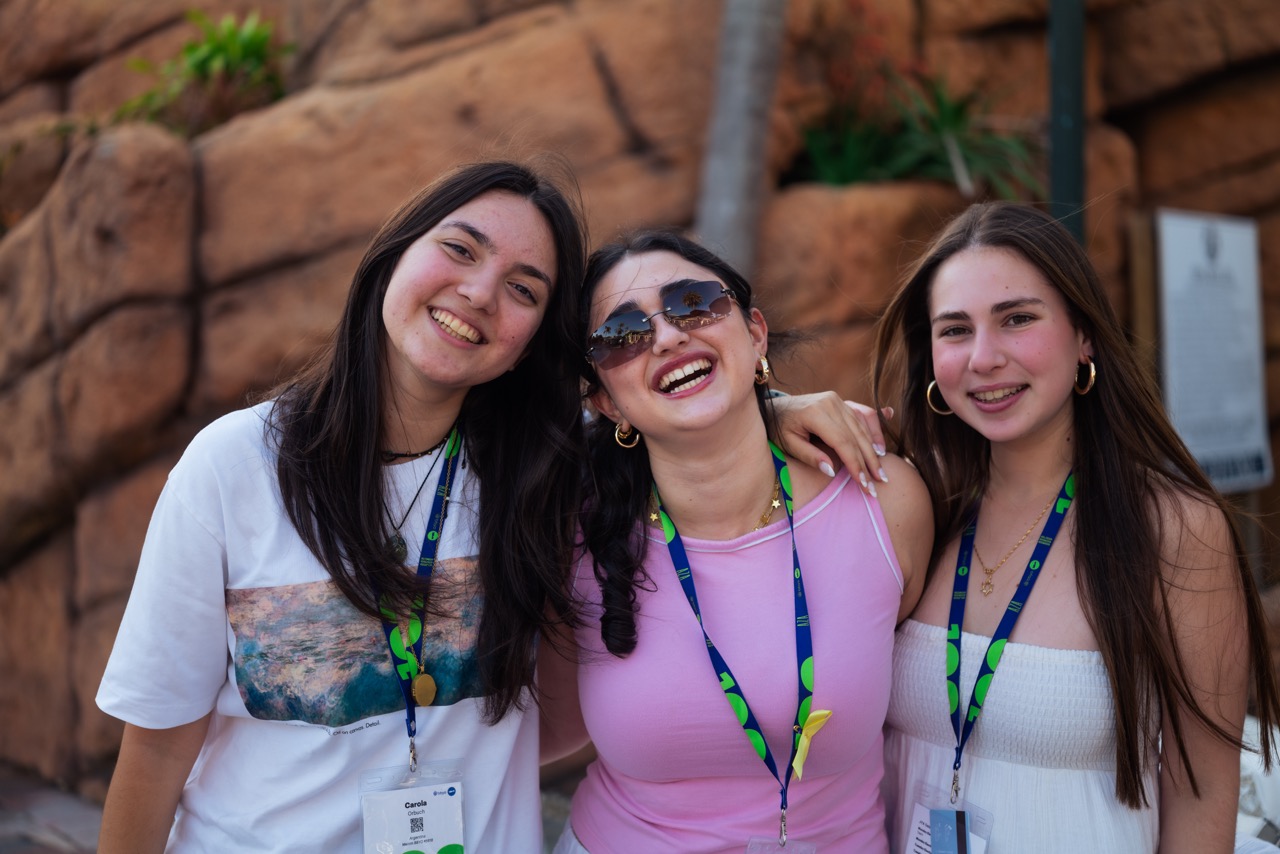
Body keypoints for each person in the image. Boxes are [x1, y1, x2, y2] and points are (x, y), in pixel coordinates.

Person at [95, 160, 591, 852]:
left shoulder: (548, 475)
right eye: (459, 249)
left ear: (530, 345)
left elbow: (694, 438)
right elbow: (155, 749)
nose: (480, 293)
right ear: (393, 257)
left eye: (523, 289)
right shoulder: (234, 466)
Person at [869, 201, 1280, 853]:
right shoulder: (913, 507)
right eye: (955, 330)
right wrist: (779, 409)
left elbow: (1201, 792)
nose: (983, 357)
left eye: (1017, 319)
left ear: (1083, 334)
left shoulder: (1173, 527)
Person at [540, 230, 933, 852]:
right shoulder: (570, 536)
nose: (667, 337)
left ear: (755, 334)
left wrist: (772, 407)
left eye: (693, 303)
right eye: (621, 335)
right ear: (605, 402)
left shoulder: (882, 499)